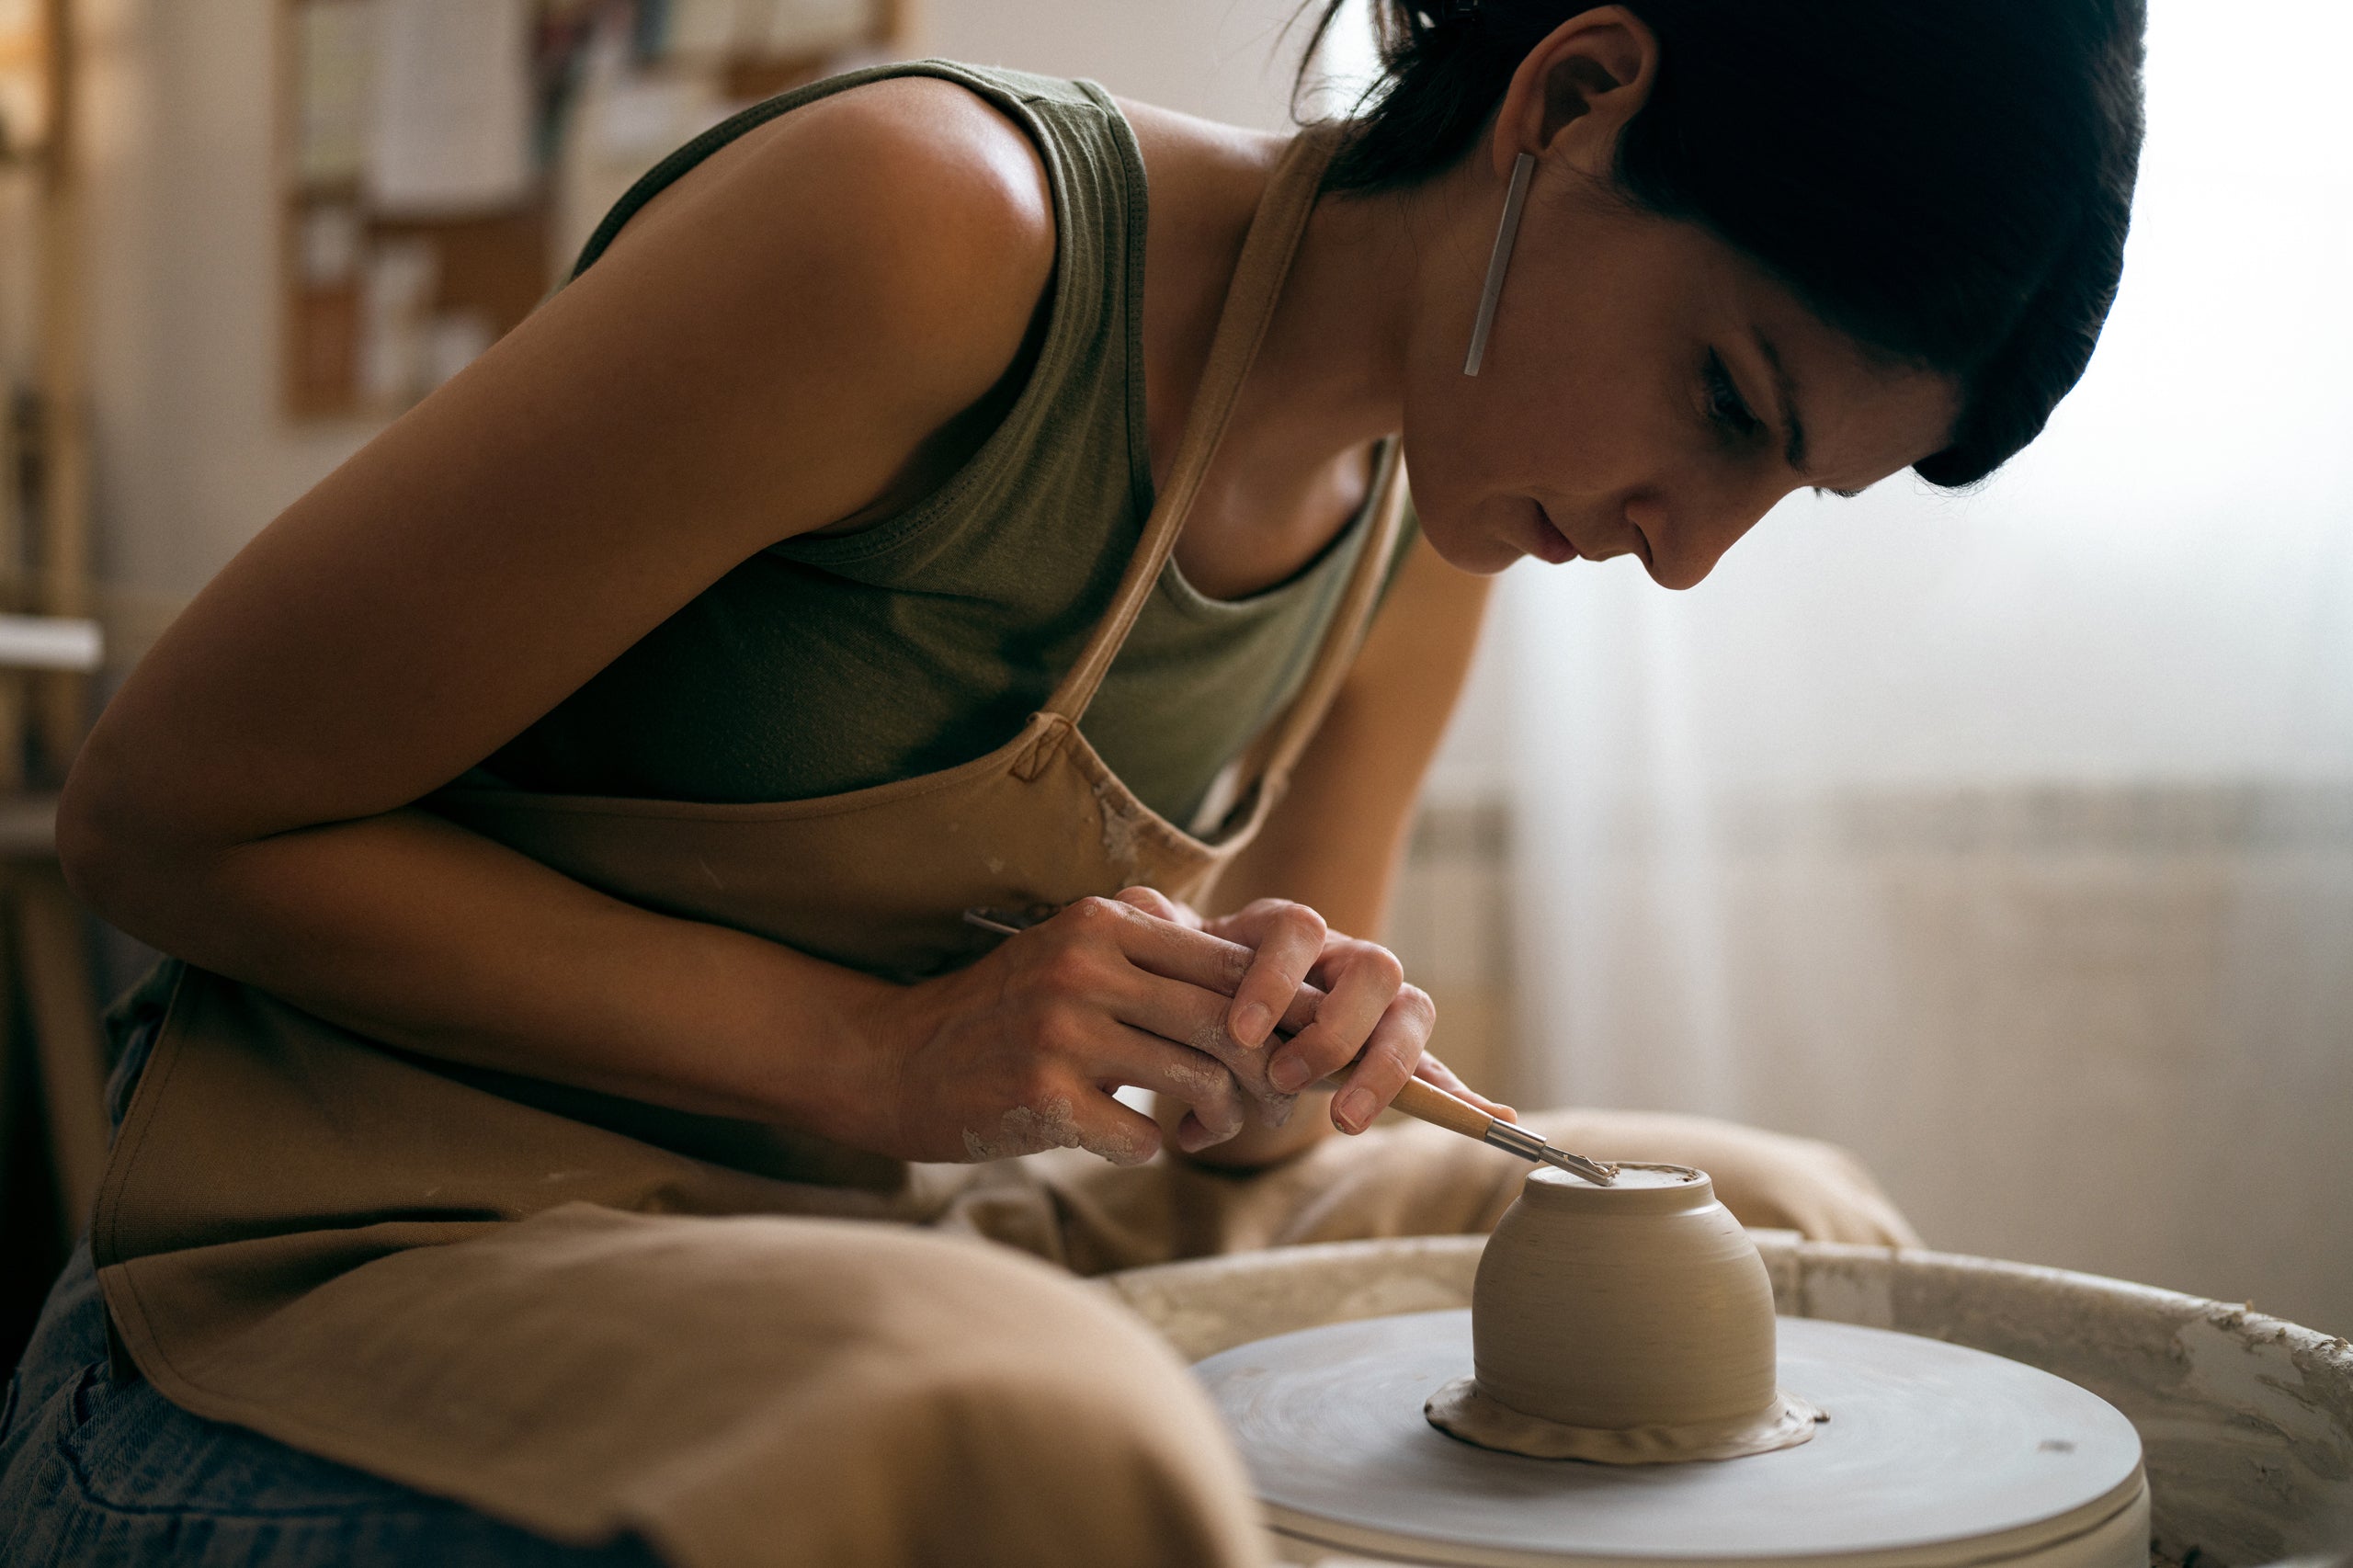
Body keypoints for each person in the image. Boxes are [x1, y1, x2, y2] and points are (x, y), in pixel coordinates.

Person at [0, 2, 2144, 1563]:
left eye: (1784, 491)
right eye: (1723, 399)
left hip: (881, 1220)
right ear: (1573, 99)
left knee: (1778, 1235)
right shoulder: (923, 236)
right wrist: (867, 1051)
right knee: (1035, 1425)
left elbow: (1255, 1137)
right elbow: (164, 814)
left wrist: (1295, 1040)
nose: (1687, 543)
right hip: (356, 1265)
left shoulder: (1433, 513)